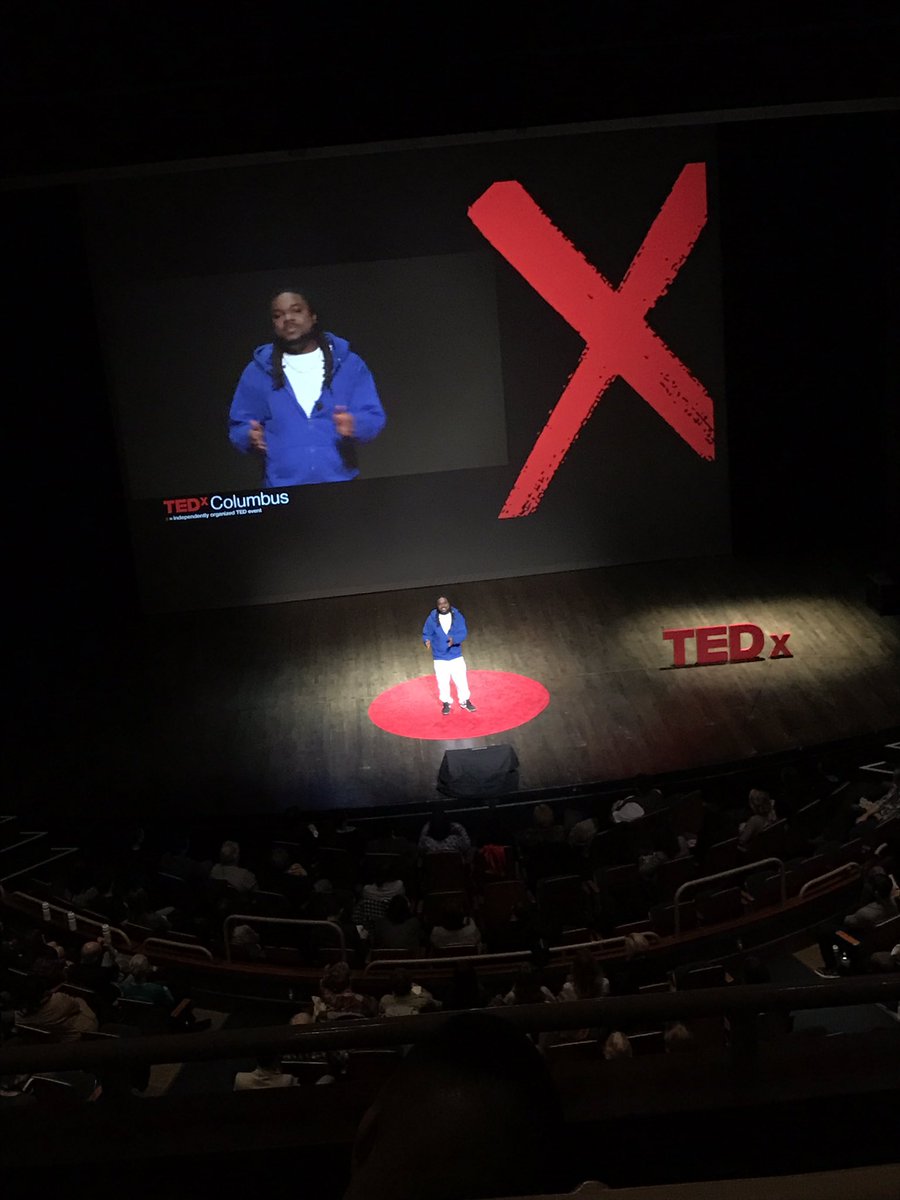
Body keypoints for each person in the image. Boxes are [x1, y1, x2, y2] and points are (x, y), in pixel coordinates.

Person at [229, 289, 386, 488]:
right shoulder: (258, 371)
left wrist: (354, 424)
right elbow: (239, 425)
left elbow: (373, 416)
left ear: (313, 316)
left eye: (296, 310)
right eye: (278, 315)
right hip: (282, 490)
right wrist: (249, 436)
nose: (288, 319)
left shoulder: (348, 364)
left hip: (341, 485)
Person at [422, 594, 476, 715]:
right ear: (437, 606)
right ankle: (446, 702)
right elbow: (427, 632)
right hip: (439, 656)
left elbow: (463, 632)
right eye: (440, 604)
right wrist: (426, 640)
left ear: (449, 604)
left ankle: (465, 700)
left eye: (445, 603)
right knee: (442, 682)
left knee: (461, 680)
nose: (443, 606)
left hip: (456, 655)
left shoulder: (457, 616)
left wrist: (455, 640)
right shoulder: (432, 618)